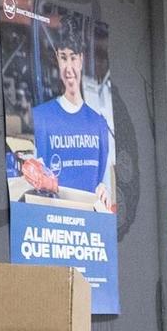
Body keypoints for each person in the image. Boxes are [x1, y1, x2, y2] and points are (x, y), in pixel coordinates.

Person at [24, 17, 115, 211]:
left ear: (81, 60)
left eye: (73, 57)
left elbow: (105, 184)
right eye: (63, 57)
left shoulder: (99, 124)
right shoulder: (41, 118)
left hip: (90, 228)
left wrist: (105, 191)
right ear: (57, 59)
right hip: (55, 223)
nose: (69, 68)